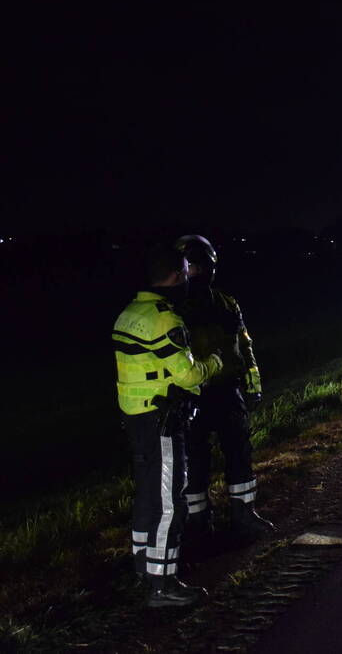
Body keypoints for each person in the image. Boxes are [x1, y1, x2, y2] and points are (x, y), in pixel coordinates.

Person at [113, 242, 223, 607]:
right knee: (168, 501)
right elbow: (189, 375)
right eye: (187, 270)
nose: (190, 276)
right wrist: (216, 364)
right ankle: (162, 585)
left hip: (136, 417)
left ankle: (143, 568)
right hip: (162, 419)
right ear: (176, 275)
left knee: (147, 496)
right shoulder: (164, 318)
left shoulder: (129, 312)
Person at [174, 235, 275, 550]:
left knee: (239, 454)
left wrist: (253, 385)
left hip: (229, 390)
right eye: (191, 265)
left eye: (201, 264)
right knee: (195, 462)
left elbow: (244, 346)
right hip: (191, 393)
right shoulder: (171, 309)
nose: (196, 270)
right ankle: (197, 524)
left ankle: (244, 515)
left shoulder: (227, 302)